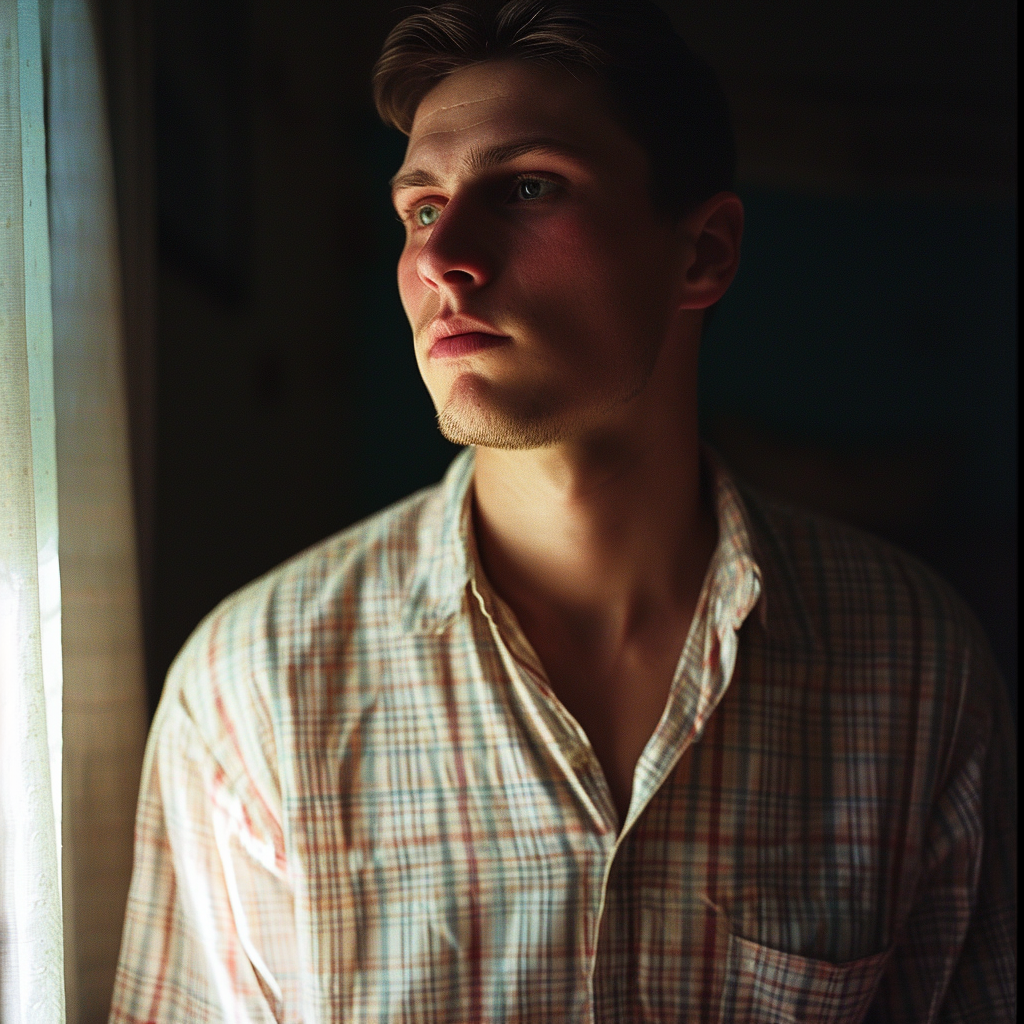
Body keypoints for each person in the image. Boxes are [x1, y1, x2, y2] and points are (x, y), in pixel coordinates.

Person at [109, 1, 1016, 1021]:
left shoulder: (918, 669)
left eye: (529, 186)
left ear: (703, 252)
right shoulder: (251, 688)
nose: (440, 257)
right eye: (419, 207)